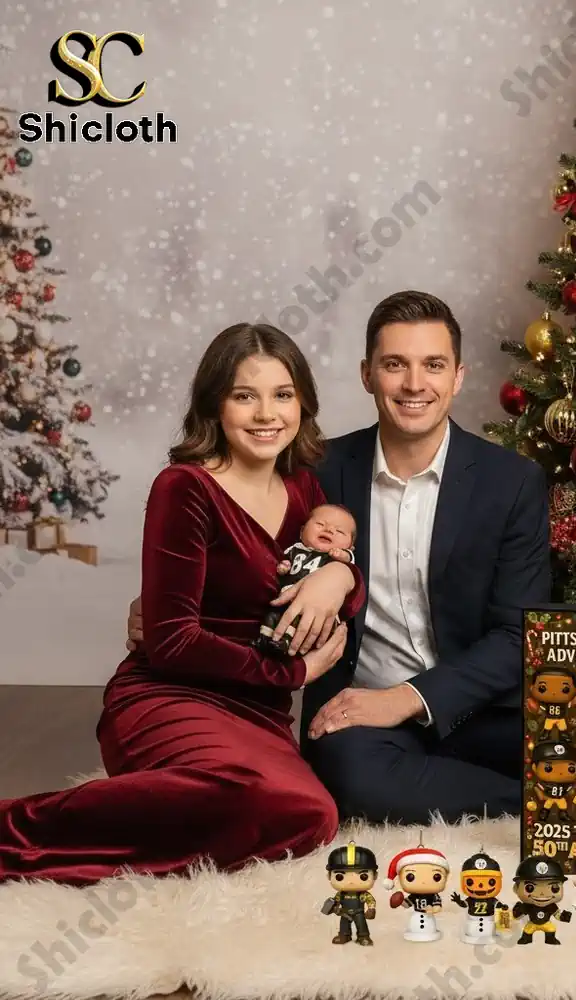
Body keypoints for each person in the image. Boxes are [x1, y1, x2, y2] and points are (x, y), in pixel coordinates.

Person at [128, 290, 551, 824]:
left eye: (433, 365)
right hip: (357, 713)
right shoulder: (313, 471)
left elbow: (517, 634)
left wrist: (408, 697)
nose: (414, 384)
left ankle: (529, 794)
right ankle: (540, 804)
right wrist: (154, 606)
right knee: (349, 784)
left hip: (480, 707)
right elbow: (241, 553)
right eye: (394, 364)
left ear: (458, 376)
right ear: (366, 375)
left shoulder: (511, 481)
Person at [0, 323, 365, 885]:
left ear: (303, 405)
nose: (266, 414)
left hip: (259, 713)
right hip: (168, 695)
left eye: (282, 395)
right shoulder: (184, 487)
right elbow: (171, 643)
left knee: (311, 816)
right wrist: (291, 672)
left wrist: (339, 577)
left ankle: (147, 819)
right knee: (264, 801)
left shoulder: (303, 490)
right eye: (245, 396)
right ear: (215, 404)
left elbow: (341, 582)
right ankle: (15, 830)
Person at [254, 502, 357, 656]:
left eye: (340, 531)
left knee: (300, 622)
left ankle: (285, 642)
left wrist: (342, 555)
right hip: (286, 597)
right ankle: (264, 638)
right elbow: (285, 560)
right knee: (272, 616)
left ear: (350, 546)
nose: (329, 530)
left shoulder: (335, 558)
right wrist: (284, 566)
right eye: (320, 524)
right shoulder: (296, 549)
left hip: (319, 609)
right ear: (302, 532)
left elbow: (349, 562)